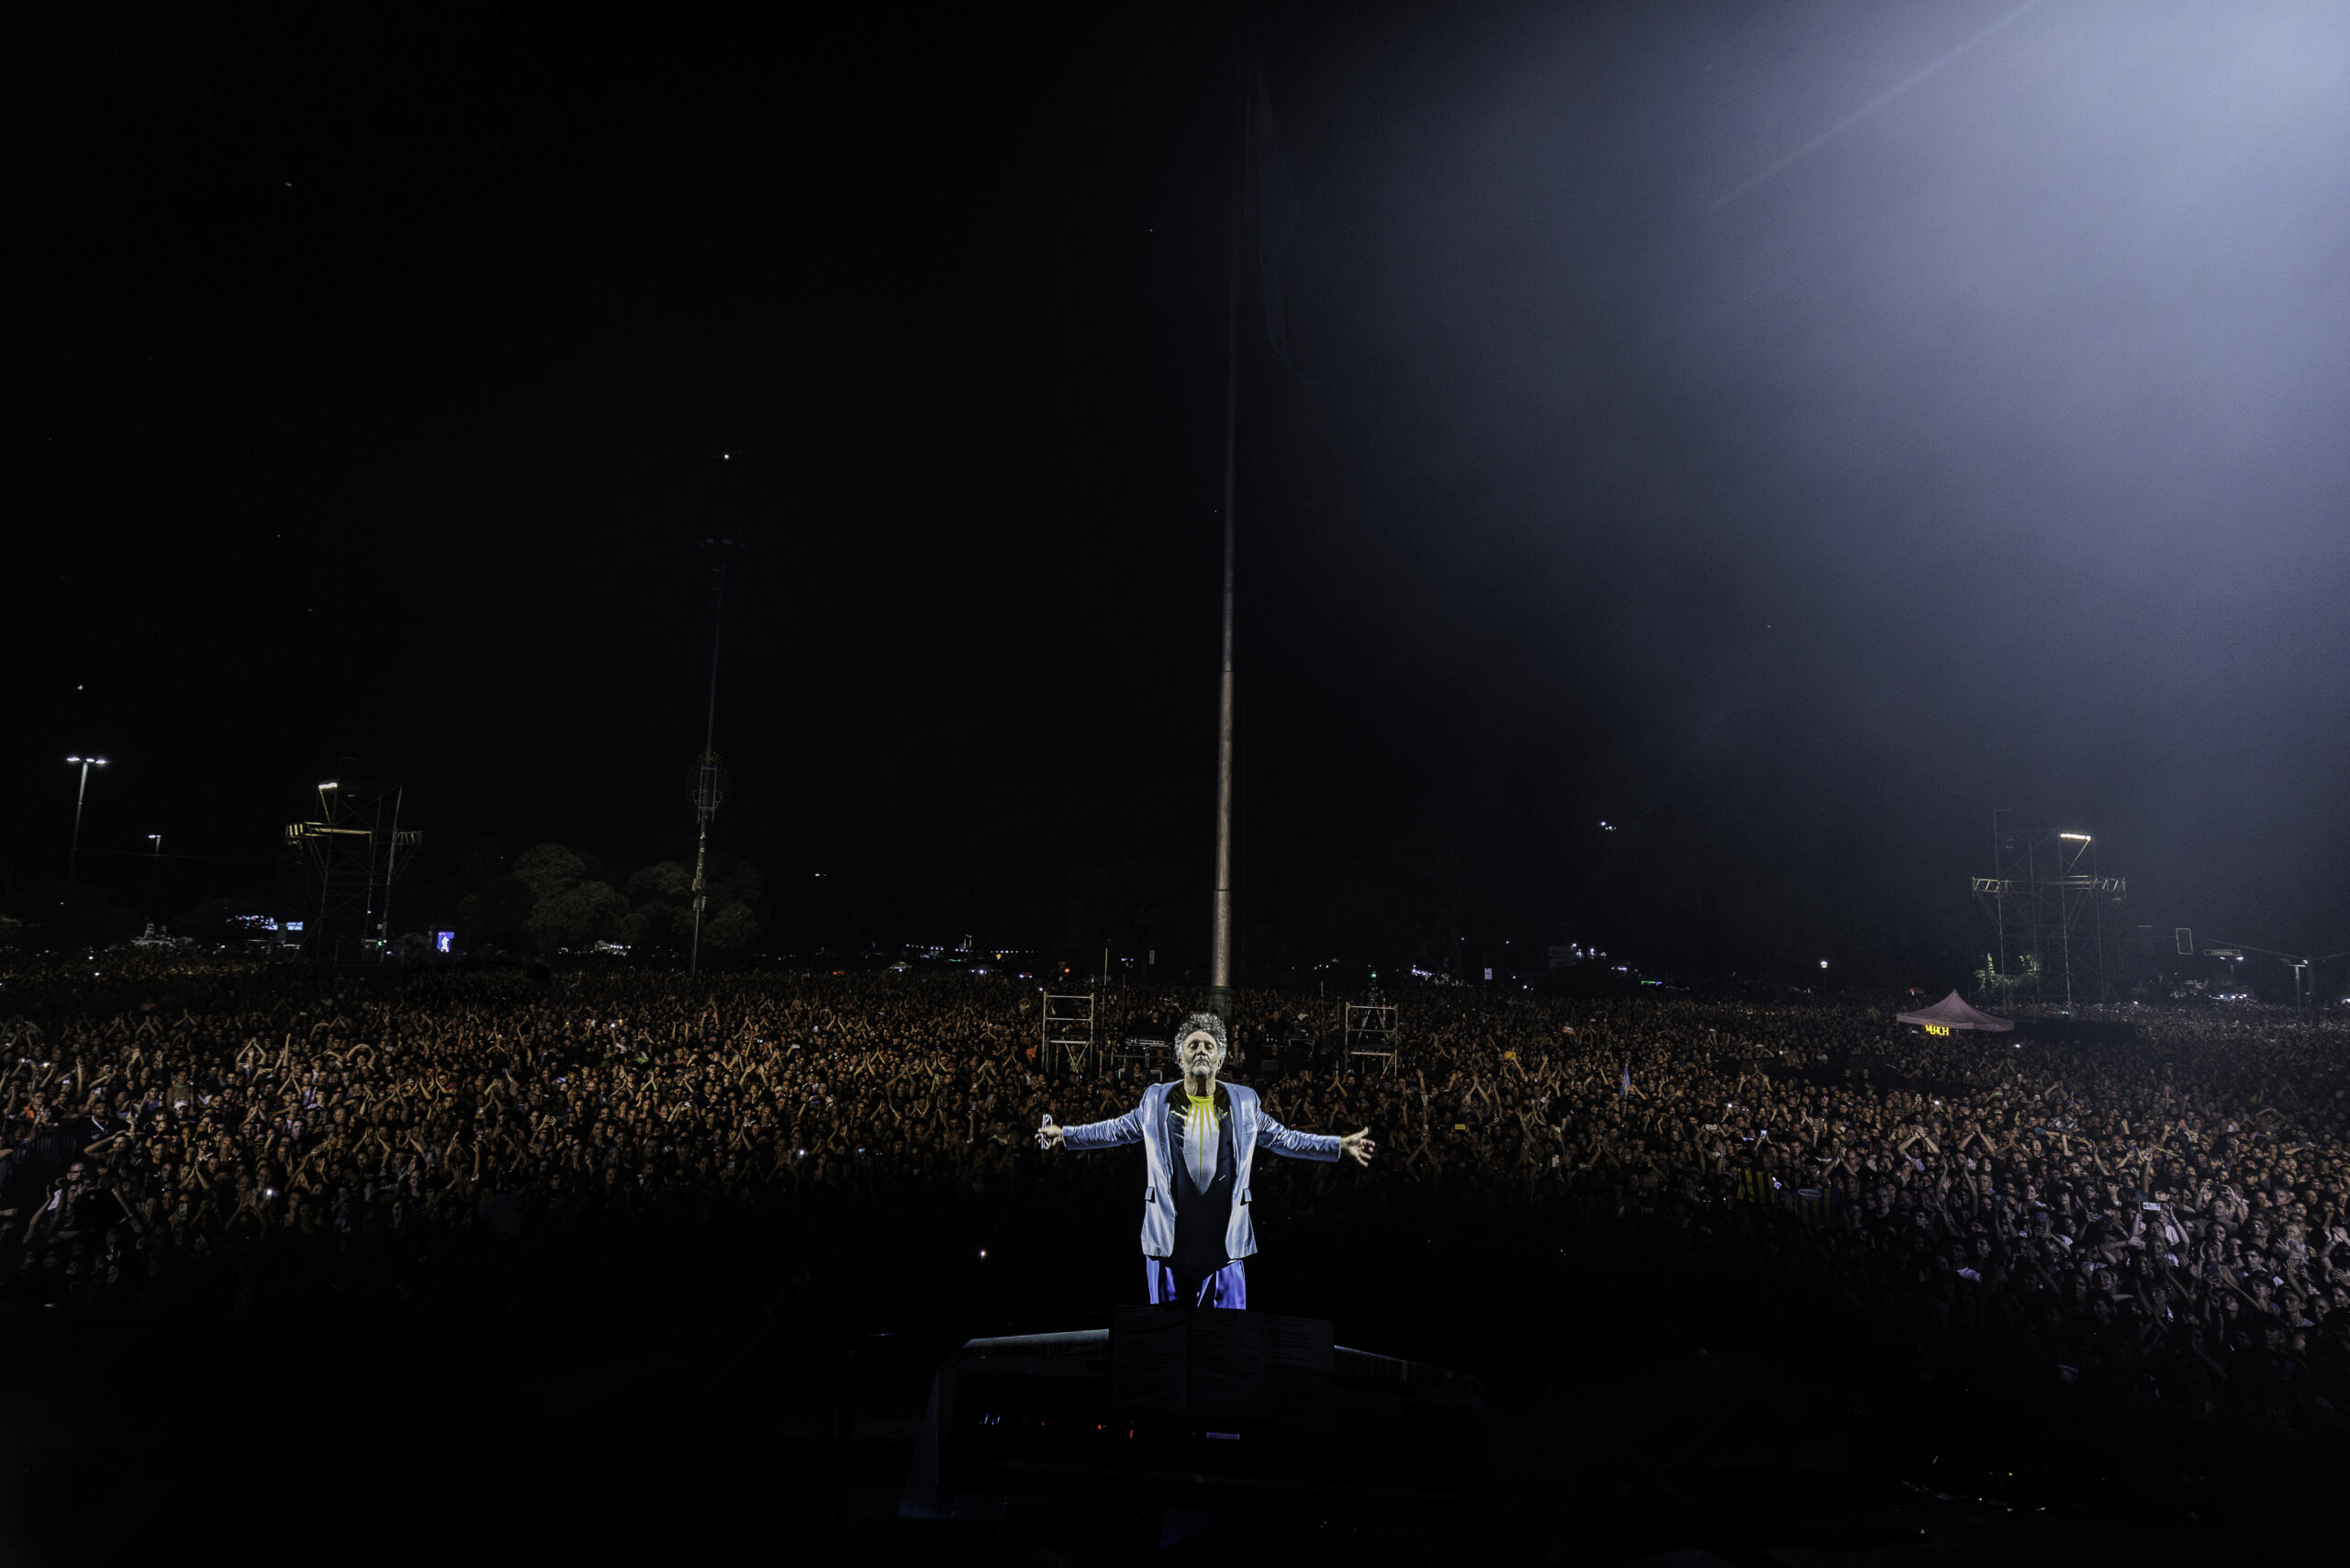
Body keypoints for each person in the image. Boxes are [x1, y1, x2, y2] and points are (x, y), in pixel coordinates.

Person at [1037, 1010, 1374, 1308]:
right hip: (1168, 1244)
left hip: (1224, 1247)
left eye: (1209, 1046)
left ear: (1221, 1060)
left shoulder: (1245, 1102)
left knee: (1225, 1341)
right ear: (1179, 1059)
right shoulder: (1155, 1099)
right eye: (1193, 1045)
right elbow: (1115, 1130)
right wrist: (1066, 1134)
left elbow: (1286, 1139)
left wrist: (1338, 1145)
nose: (1201, 1050)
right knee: (1166, 1337)